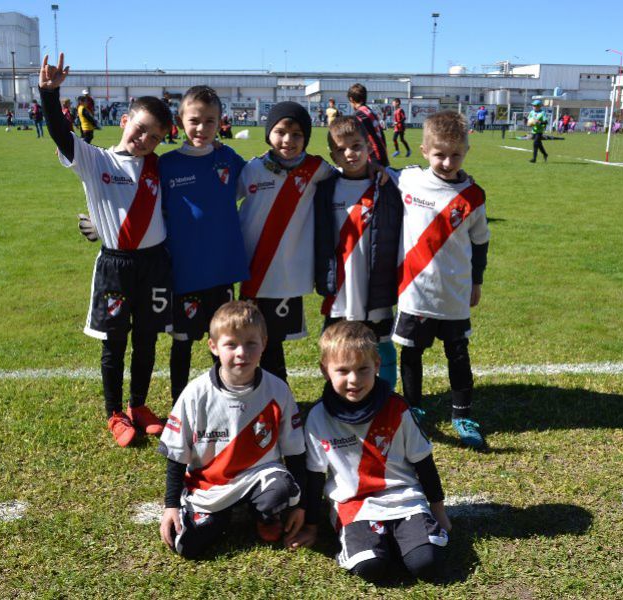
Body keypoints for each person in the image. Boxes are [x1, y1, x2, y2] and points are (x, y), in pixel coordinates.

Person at [39, 53, 173, 446]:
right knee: (115, 343)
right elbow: (61, 134)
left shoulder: (160, 167)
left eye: (155, 137)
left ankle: (139, 406)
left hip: (155, 265)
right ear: (125, 121)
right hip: (116, 266)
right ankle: (115, 413)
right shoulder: (95, 160)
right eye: (141, 129)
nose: (145, 140)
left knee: (147, 339)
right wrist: (50, 94)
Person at [287, 321, 451, 583]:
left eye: (363, 368)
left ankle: (406, 538)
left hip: (403, 497)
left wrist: (439, 511)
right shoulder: (318, 417)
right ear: (324, 370)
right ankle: (384, 542)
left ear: (377, 365)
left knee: (425, 563)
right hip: (354, 505)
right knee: (370, 567)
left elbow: (424, 461)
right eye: (343, 370)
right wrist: (311, 526)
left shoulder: (397, 407)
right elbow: (315, 476)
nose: (354, 379)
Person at [158, 301, 307, 558]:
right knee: (187, 545)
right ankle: (223, 514)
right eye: (231, 344)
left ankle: (264, 514)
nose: (242, 353)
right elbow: (176, 452)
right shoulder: (196, 393)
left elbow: (295, 451)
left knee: (282, 490)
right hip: (210, 484)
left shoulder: (278, 390)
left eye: (251, 343)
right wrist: (171, 505)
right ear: (214, 347)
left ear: (264, 342)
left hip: (260, 475)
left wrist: (299, 506)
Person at [390, 111, 490, 450]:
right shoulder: (406, 180)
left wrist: (476, 281)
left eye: (455, 154)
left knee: (458, 353)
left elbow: (480, 242)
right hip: (415, 291)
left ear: (466, 152)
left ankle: (462, 414)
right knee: (412, 352)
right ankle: (413, 409)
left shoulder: (474, 195)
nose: (447, 162)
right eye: (439, 154)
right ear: (424, 151)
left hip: (455, 292)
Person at [159, 86, 250, 403]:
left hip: (221, 270)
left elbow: (259, 181)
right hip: (185, 272)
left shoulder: (228, 158)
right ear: (180, 120)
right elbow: (138, 201)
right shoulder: (166, 165)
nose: (202, 128)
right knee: (182, 342)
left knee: (226, 338)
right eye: (194, 120)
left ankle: (227, 399)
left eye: (210, 121)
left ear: (220, 122)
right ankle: (178, 404)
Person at [237, 102, 336, 383]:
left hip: (286, 274)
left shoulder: (317, 169)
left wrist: (377, 168)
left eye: (297, 135)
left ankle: (277, 392)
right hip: (252, 269)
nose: (288, 141)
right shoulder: (252, 169)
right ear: (268, 134)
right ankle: (253, 389)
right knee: (251, 335)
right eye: (280, 132)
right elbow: (223, 200)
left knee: (273, 337)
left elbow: (349, 180)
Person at [313, 116, 401, 390]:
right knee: (337, 344)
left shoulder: (388, 182)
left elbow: (425, 177)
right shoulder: (326, 186)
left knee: (381, 343)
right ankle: (336, 396)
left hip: (375, 283)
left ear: (368, 147)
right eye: (341, 149)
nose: (350, 153)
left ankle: (385, 396)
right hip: (340, 286)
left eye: (356, 146)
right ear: (332, 154)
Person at [347, 83, 389, 166]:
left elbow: (352, 138)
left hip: (374, 157)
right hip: (382, 153)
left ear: (351, 99)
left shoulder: (359, 115)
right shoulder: (370, 111)